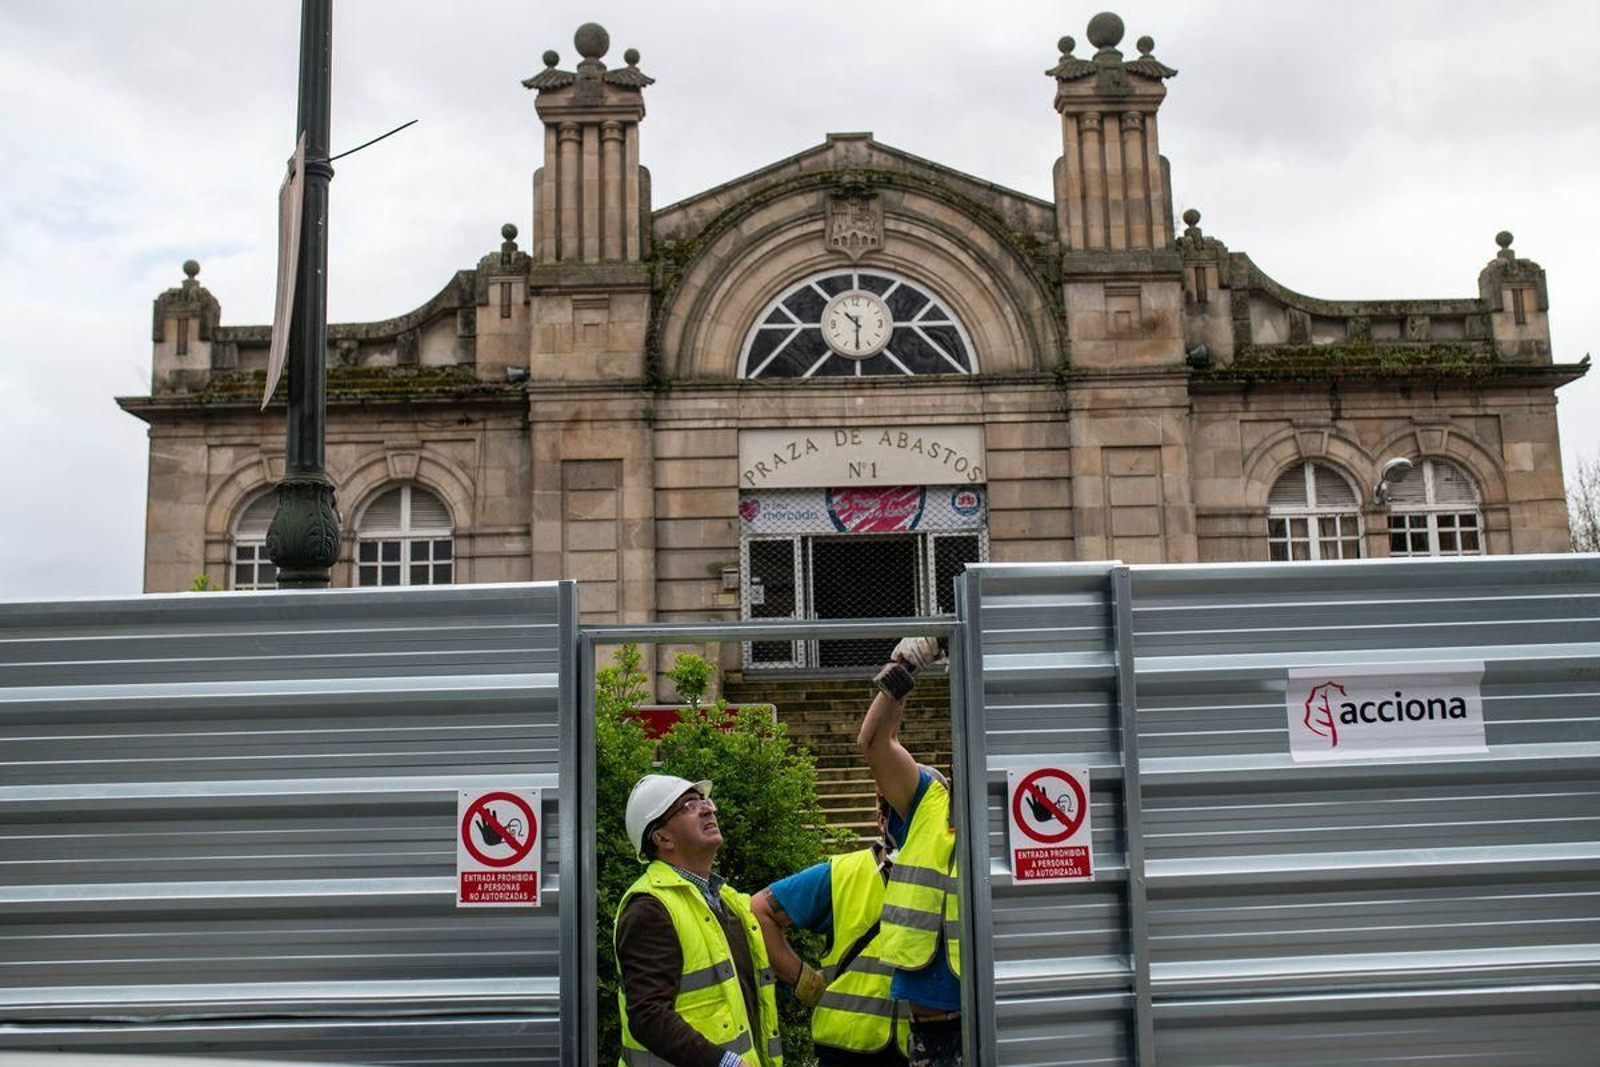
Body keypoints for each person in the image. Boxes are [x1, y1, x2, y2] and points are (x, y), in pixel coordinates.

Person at [615, 773, 784, 1067]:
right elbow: (648, 1016)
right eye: (688, 806)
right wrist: (726, 1063)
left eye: (704, 800)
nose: (708, 808)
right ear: (662, 838)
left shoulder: (726, 899)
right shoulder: (649, 908)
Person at [856, 637, 962, 1067]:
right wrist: (901, 670)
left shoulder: (1020, 798)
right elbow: (876, 742)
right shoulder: (927, 799)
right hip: (940, 1011)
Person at [750, 794, 911, 1066]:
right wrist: (805, 981)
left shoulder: (955, 875)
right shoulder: (841, 875)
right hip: (846, 1050)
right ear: (881, 821)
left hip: (924, 1044)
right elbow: (758, 910)